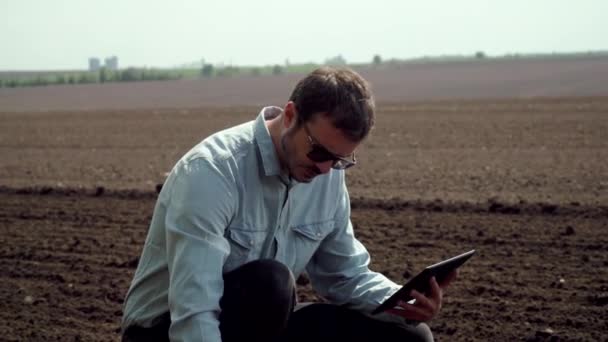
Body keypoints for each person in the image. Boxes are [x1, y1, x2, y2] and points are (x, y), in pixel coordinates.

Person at [121, 66, 456, 342]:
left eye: (339, 160)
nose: (326, 169)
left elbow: (345, 276)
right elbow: (193, 313)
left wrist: (403, 300)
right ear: (292, 115)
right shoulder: (212, 172)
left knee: (410, 336)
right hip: (167, 330)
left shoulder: (325, 175)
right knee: (271, 283)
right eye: (320, 152)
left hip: (260, 325)